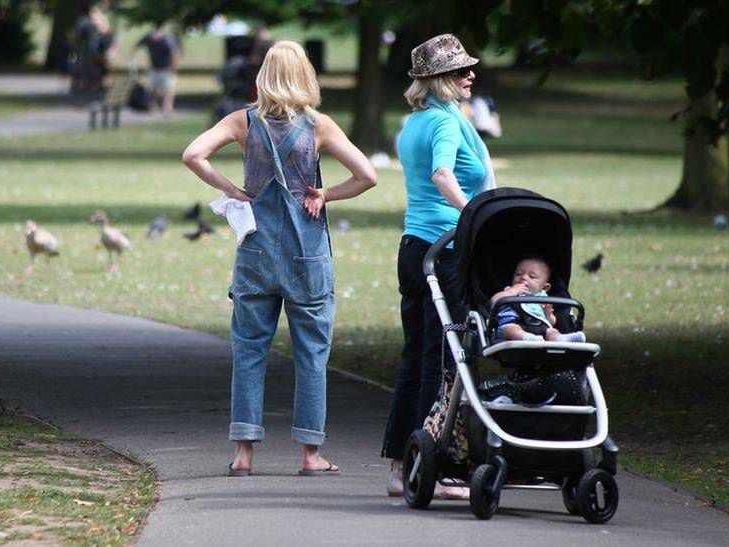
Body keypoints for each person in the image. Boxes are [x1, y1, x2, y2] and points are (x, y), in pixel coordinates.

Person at [182, 41, 376, 476]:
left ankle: (243, 453)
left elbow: (193, 155)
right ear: (305, 76)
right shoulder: (319, 127)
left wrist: (232, 189)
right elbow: (367, 176)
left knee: (249, 350)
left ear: (263, 76)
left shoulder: (241, 122)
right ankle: (311, 454)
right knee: (311, 353)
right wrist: (326, 194)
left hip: (255, 252)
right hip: (307, 255)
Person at [381, 34, 496, 498]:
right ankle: (438, 466)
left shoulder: (415, 121)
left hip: (413, 248)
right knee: (444, 359)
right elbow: (442, 176)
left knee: (417, 356)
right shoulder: (447, 123)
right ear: (438, 80)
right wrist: (474, 216)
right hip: (444, 249)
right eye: (460, 70)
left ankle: (400, 465)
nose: (471, 76)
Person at [490, 257, 586, 343]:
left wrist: (549, 315)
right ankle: (526, 338)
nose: (523, 277)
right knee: (511, 330)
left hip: (540, 327)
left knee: (552, 331)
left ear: (545, 287)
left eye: (531, 276)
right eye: (518, 274)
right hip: (513, 323)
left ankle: (560, 339)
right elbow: (493, 301)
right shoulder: (509, 291)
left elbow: (552, 322)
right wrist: (513, 291)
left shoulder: (543, 298)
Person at [135, 27, 180, 115]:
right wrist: (131, 55)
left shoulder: (167, 41)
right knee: (153, 88)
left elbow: (175, 53)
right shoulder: (147, 38)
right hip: (154, 68)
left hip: (166, 68)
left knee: (169, 89)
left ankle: (167, 108)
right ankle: (152, 106)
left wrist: (173, 67)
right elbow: (137, 44)